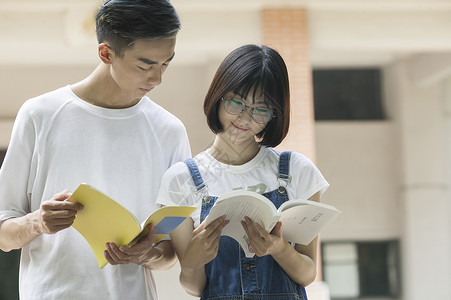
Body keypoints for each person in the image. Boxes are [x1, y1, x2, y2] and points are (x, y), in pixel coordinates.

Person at [0, 0, 191, 299]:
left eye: (166, 63)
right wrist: (37, 221)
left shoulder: (169, 131)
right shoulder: (39, 115)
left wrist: (145, 255)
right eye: (145, 65)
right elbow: (4, 234)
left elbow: (172, 254)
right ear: (106, 53)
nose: (157, 78)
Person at [156, 44, 329, 299]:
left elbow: (307, 273)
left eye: (260, 109)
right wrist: (192, 261)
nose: (245, 118)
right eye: (236, 102)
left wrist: (279, 248)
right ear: (218, 96)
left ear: (274, 115)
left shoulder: (297, 172)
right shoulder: (180, 181)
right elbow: (195, 287)